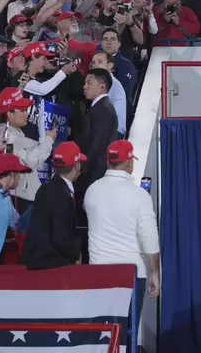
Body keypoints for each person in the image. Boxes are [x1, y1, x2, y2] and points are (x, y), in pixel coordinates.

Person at [85, 140, 160, 320]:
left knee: (103, 334)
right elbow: (149, 237)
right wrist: (155, 273)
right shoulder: (139, 195)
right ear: (130, 162)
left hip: (99, 271)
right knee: (128, 333)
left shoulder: (92, 190)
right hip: (130, 273)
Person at [20, 141, 87, 269]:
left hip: (38, 262)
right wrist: (75, 255)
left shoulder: (47, 187)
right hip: (48, 265)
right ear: (77, 166)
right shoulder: (61, 193)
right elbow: (60, 236)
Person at [74, 68, 118, 190]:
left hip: (92, 175)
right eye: (84, 83)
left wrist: (82, 169)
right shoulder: (101, 107)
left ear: (102, 87)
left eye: (89, 83)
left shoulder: (102, 110)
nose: (84, 87)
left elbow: (96, 144)